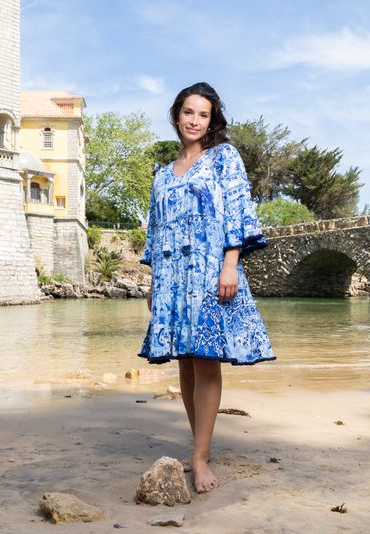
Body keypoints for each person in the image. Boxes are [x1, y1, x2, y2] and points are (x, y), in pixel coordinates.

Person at [138, 82, 276, 494]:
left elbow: (238, 211)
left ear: (212, 120)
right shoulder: (162, 173)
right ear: (176, 115)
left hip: (209, 271)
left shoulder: (223, 158)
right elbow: (156, 231)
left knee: (206, 360)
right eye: (188, 112)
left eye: (203, 114)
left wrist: (230, 265)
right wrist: (154, 283)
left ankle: (199, 459)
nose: (195, 121)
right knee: (184, 360)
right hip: (172, 277)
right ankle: (200, 447)